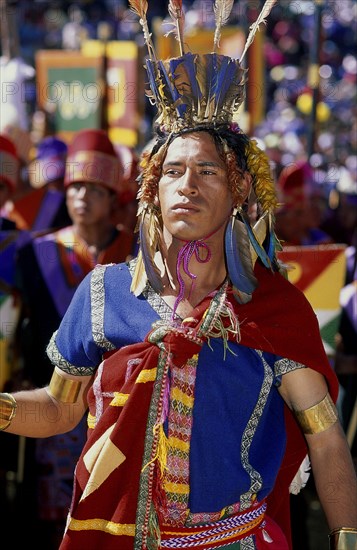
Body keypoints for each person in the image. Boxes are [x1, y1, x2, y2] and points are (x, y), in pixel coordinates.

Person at [1, 4, 356, 550]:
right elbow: (59, 408)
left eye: (208, 170)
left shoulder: (272, 307)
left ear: (238, 190)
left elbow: (326, 439)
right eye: (173, 171)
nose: (187, 184)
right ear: (152, 191)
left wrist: (347, 539)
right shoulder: (104, 293)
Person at [8, 128, 137, 548]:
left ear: (111, 195)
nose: (82, 197)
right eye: (75, 187)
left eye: (93, 189)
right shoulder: (35, 253)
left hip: (120, 403)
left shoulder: (136, 257)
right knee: (51, 516)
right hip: (53, 396)